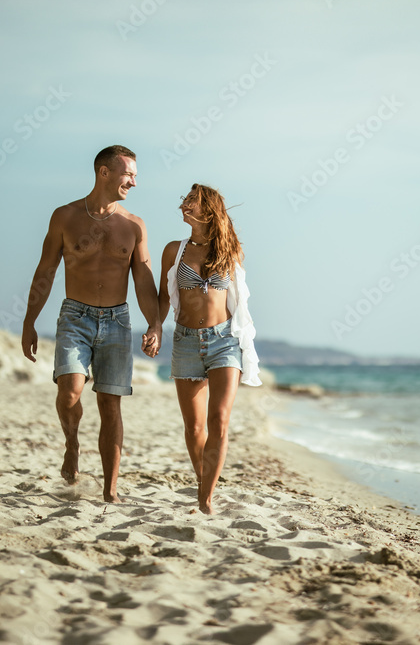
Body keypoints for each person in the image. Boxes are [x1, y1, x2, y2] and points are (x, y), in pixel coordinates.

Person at [21, 145, 161, 503]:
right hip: (75, 317)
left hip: (117, 320)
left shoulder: (134, 225)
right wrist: (29, 321)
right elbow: (45, 271)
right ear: (104, 172)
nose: (133, 181)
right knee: (69, 392)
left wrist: (155, 324)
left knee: (110, 405)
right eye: (128, 174)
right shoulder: (65, 217)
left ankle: (110, 489)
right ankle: (72, 444)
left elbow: (144, 281)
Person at [151, 183, 261, 515]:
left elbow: (238, 297)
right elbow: (161, 296)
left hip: (225, 341)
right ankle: (203, 479)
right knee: (195, 426)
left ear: (208, 210)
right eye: (184, 199)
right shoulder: (174, 250)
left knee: (219, 420)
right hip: (185, 340)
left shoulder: (230, 249)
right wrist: (155, 327)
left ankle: (206, 498)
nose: (184, 204)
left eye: (191, 201)